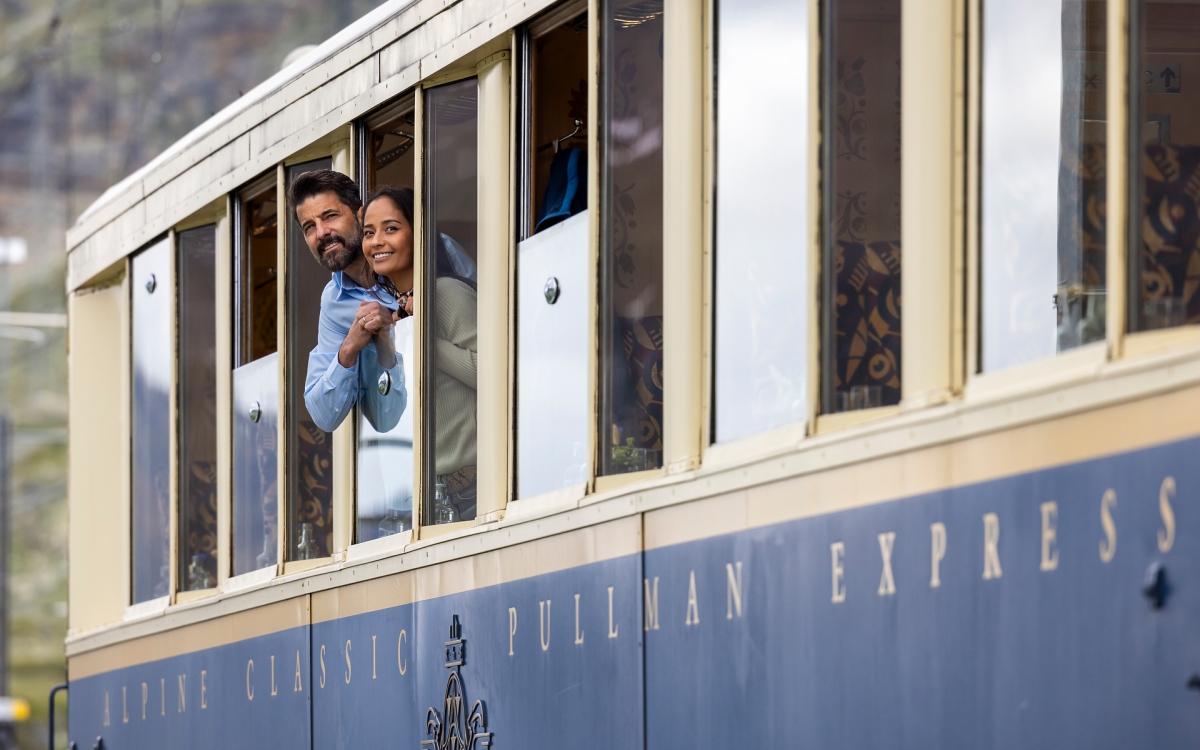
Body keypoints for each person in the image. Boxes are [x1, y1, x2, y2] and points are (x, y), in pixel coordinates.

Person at [361, 186, 479, 521]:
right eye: (369, 233)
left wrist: (423, 334)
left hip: (468, 492)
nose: (377, 241)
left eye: (392, 228)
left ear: (421, 233)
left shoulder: (445, 292)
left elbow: (493, 373)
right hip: (420, 500)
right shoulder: (396, 315)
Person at [288, 169, 406, 433]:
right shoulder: (334, 300)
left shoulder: (420, 256)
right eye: (309, 227)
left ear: (360, 215)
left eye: (330, 216)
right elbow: (324, 417)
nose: (321, 232)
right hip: (401, 451)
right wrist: (349, 348)